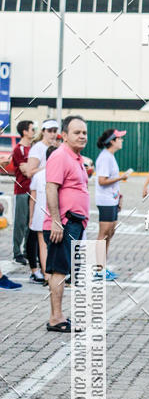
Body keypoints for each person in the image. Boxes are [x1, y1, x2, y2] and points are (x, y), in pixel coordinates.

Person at [44, 115, 90, 333]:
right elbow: (51, 188)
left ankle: (59, 315)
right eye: (77, 132)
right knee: (59, 271)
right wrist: (56, 221)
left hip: (74, 223)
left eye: (84, 133)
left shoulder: (76, 158)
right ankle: (56, 318)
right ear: (64, 135)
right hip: (63, 223)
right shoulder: (60, 156)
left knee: (64, 271)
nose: (82, 136)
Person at [94, 128, 128, 280]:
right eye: (119, 138)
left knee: (110, 233)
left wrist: (119, 196)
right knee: (103, 234)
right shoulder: (105, 157)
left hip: (112, 199)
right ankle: (99, 269)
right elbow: (102, 181)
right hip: (105, 200)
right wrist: (121, 178)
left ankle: (103, 267)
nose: (122, 141)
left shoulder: (110, 156)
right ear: (112, 141)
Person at [29, 144, 59, 285]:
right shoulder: (58, 173)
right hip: (54, 214)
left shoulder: (39, 175)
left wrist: (31, 216)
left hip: (39, 214)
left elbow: (32, 198)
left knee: (42, 245)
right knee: (55, 245)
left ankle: (46, 276)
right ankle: (55, 274)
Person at [11, 119, 35, 265]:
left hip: (33, 190)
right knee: (20, 222)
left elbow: (31, 168)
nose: (34, 131)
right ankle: (17, 252)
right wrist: (36, 168)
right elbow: (26, 171)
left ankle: (27, 251)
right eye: (32, 129)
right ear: (25, 132)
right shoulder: (18, 149)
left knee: (30, 222)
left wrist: (32, 167)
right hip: (22, 190)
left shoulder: (33, 148)